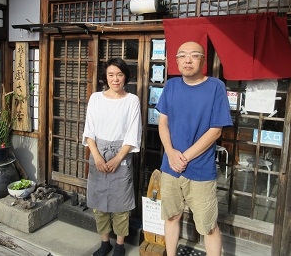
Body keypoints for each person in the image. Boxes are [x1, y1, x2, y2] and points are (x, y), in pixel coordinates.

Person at [155, 41, 233, 256]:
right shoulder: (171, 86)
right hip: (170, 167)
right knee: (171, 216)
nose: (188, 59)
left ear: (203, 60)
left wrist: (184, 157)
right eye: (182, 55)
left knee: (208, 226)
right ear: (176, 61)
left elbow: (216, 131)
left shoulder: (216, 86)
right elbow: (163, 122)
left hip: (200, 169)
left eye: (194, 55)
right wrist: (171, 153)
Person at [83, 58, 142, 256]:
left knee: (120, 205)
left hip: (122, 155)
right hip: (97, 152)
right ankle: (104, 242)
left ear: (126, 76)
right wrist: (97, 157)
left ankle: (120, 245)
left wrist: (117, 159)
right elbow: (89, 132)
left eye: (119, 74)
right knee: (99, 203)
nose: (115, 79)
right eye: (111, 75)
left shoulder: (132, 100)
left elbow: (133, 134)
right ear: (105, 77)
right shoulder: (95, 98)